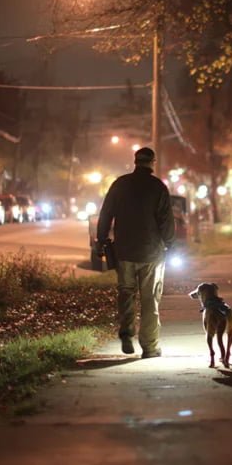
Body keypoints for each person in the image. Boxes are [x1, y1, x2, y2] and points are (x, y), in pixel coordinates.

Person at [97, 147, 175, 358]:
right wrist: (170, 243)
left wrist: (101, 240)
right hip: (152, 253)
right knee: (150, 299)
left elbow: (105, 214)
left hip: (124, 251)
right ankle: (150, 347)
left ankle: (126, 333)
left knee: (126, 293)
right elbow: (166, 220)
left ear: (135, 161)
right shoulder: (158, 187)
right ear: (152, 162)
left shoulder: (119, 185)